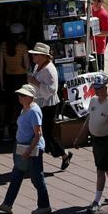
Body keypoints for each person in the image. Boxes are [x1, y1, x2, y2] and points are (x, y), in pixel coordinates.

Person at [0, 84, 50, 214]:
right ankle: (7, 204)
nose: (20, 97)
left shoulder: (34, 111)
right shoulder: (24, 108)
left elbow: (38, 134)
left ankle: (44, 206)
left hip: (32, 150)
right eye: (19, 95)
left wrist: (28, 151)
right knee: (16, 177)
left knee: (37, 179)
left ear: (31, 97)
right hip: (22, 147)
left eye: (23, 95)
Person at [77, 80, 108, 212]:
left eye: (98, 89)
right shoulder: (93, 100)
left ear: (105, 87)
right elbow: (89, 120)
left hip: (106, 141)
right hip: (96, 140)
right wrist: (80, 137)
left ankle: (96, 201)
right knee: (107, 167)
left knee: (100, 170)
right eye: (95, 89)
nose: (96, 91)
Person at [27, 42, 72, 170]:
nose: (33, 57)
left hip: (48, 105)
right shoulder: (38, 66)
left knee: (47, 133)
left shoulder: (49, 69)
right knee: (38, 131)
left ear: (43, 56)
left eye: (36, 55)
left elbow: (51, 90)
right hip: (39, 103)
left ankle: (64, 154)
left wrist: (34, 82)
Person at [0, 23, 30, 141]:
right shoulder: (23, 47)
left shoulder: (3, 46)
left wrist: (2, 81)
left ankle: (6, 130)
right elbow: (27, 66)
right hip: (21, 78)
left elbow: (0, 65)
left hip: (8, 78)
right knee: (21, 105)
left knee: (9, 104)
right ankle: (19, 129)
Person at [89, 0, 108, 74]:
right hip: (90, 46)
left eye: (99, 1)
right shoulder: (89, 10)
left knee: (99, 71)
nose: (96, 2)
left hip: (98, 47)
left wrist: (94, 34)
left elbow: (107, 32)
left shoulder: (104, 14)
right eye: (95, 0)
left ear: (102, 1)